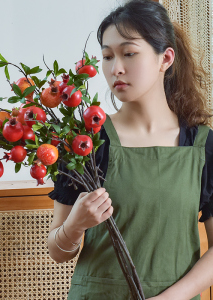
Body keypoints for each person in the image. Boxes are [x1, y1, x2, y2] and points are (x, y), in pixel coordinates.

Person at [47, 0, 213, 299]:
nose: (116, 68)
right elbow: (58, 252)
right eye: (107, 56)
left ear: (166, 58)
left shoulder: (202, 145)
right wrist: (74, 225)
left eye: (129, 53)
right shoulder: (86, 141)